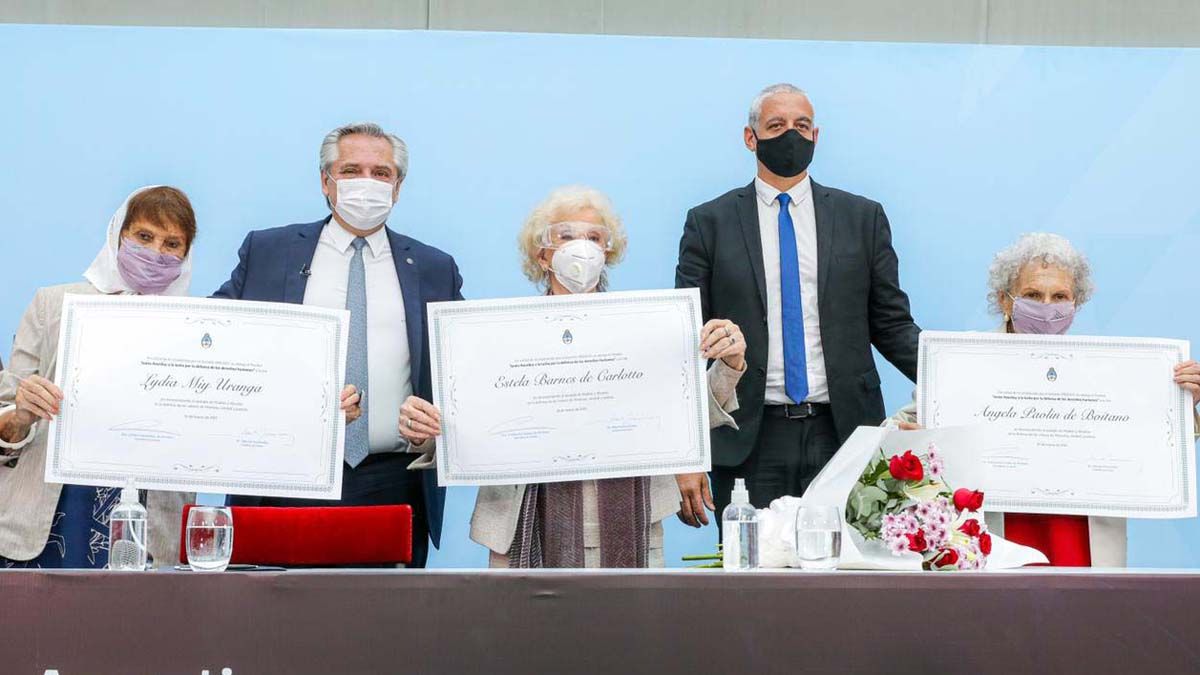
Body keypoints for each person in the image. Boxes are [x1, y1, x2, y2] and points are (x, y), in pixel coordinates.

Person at [397, 186, 747, 567]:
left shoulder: (645, 331)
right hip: (520, 532)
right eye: (566, 236)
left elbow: (691, 418)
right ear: (542, 254)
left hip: (635, 528)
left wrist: (729, 364)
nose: (582, 247)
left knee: (630, 628)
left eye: (595, 237)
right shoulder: (497, 338)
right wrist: (425, 432)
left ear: (608, 252)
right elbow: (465, 428)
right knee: (526, 629)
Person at [214, 122, 462, 568]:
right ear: (326, 182)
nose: (367, 183)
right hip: (283, 480)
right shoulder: (270, 252)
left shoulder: (433, 267)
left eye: (381, 173)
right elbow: (214, 342)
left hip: (394, 484)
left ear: (398, 187)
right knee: (276, 627)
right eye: (352, 170)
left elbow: (463, 372)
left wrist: (439, 420)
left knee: (381, 631)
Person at [674, 83, 922, 524]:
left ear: (816, 136)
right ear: (751, 138)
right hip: (749, 435)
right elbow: (687, 344)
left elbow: (893, 326)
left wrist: (956, 383)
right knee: (753, 582)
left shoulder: (862, 218)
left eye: (801, 126)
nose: (790, 134)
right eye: (776, 125)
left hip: (846, 433)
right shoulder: (708, 223)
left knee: (850, 580)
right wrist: (683, 451)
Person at [890, 232, 1200, 566]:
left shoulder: (1108, 371)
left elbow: (1146, 442)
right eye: (1033, 295)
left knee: (1086, 617)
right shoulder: (962, 361)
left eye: (1060, 296)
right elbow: (897, 430)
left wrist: (1185, 405)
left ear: (1075, 304)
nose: (1047, 308)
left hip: (1079, 537)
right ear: (1005, 300)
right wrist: (917, 437)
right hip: (993, 534)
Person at [0, 186, 198, 568]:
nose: (156, 252)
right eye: (144, 236)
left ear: (186, 256)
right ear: (117, 235)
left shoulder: (199, 330)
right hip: (52, 514)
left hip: (152, 521)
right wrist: (22, 414)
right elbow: (6, 427)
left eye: (172, 244)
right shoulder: (53, 305)